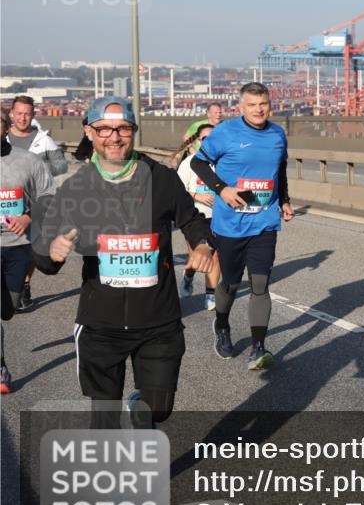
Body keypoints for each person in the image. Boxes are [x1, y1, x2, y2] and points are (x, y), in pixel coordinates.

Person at [33, 96, 214, 426]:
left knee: (158, 409)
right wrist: (51, 250)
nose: (114, 137)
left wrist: (201, 244)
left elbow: (192, 220)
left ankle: (140, 407)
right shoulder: (76, 188)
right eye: (104, 129)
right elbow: (45, 251)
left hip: (158, 318)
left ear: (134, 130)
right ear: (89, 132)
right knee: (104, 420)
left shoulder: (161, 178)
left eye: (123, 129)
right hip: (101, 323)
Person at [190, 82, 294, 370]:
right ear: (241, 107)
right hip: (230, 224)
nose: (259, 110)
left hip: (264, 221)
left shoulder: (277, 134)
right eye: (252, 105)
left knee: (260, 283)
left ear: (269, 105)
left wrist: (284, 199)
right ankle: (222, 326)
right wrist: (222, 189)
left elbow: (280, 169)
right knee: (232, 283)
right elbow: (198, 164)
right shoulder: (225, 133)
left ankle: (258, 348)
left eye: (263, 104)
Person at [1, 107, 56, 393]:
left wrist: (28, 216)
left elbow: (48, 195)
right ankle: (0, 368)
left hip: (18, 246)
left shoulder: (27, 161)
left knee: (7, 310)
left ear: (5, 126)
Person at [8, 95, 68, 310]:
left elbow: (61, 165)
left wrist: (38, 172)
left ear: (33, 115)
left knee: (28, 246)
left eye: (27, 114)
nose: (23, 118)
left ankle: (24, 284)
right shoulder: (2, 138)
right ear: (11, 114)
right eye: (19, 113)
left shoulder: (43, 140)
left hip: (36, 204)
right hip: (7, 201)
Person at [175, 124, 221, 310]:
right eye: (204, 139)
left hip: (218, 216)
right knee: (197, 255)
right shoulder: (189, 163)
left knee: (216, 256)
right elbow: (177, 192)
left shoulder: (224, 162)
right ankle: (188, 276)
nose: (209, 142)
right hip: (194, 217)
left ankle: (211, 294)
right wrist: (197, 195)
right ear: (198, 141)